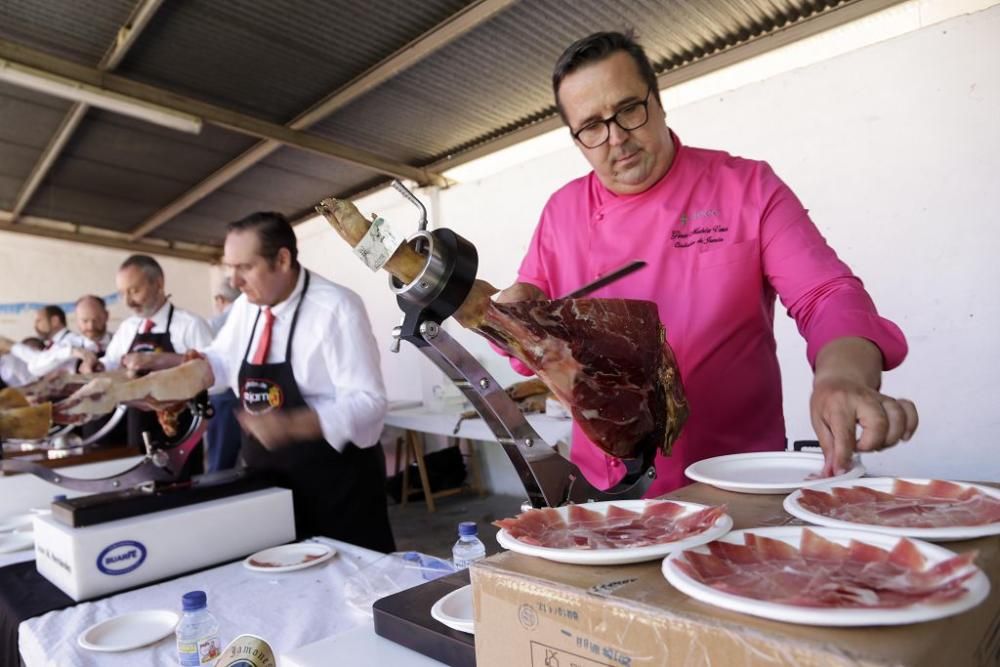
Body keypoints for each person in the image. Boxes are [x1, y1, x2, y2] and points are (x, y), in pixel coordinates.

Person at [495, 31, 918, 497]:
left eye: (629, 110)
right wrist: (516, 311)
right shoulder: (562, 211)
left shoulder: (746, 188)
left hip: (735, 480)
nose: (616, 138)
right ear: (576, 139)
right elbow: (527, 307)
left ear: (658, 100)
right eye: (591, 127)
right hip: (606, 492)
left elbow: (826, 294)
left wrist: (842, 376)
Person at [122, 213, 394, 551]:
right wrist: (173, 376)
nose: (234, 281)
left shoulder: (336, 308)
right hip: (270, 486)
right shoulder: (247, 308)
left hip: (336, 487)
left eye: (245, 268)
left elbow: (370, 402)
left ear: (282, 260)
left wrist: (294, 424)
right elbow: (221, 361)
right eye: (229, 268)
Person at [94, 255, 214, 450]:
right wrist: (96, 365)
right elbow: (110, 363)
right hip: (136, 428)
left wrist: (159, 360)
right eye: (122, 293)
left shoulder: (190, 325)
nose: (128, 301)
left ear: (159, 283)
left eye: (134, 291)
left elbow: (215, 375)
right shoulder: (128, 327)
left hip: (180, 430)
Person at [205, 277, 243, 472]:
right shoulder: (252, 315)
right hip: (246, 393)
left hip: (221, 397)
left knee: (220, 460)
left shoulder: (214, 323)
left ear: (220, 299)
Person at [5, 305, 99, 378]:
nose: (35, 325)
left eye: (39, 320)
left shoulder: (71, 341)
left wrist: (11, 346)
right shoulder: (56, 344)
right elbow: (37, 362)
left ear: (55, 321)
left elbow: (36, 367)